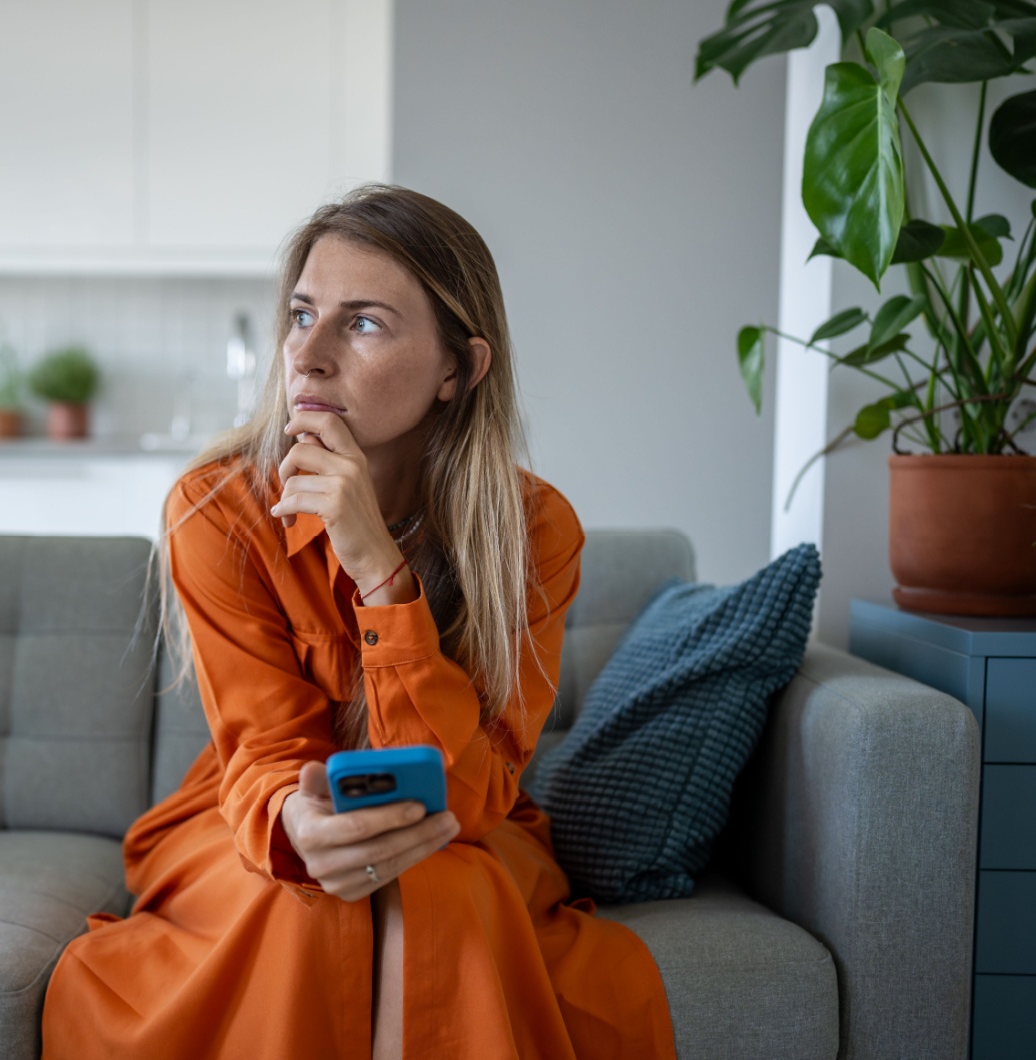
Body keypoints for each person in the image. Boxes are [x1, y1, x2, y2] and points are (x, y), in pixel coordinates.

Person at [39, 184, 676, 1060]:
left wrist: (380, 571)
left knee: (437, 890)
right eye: (303, 314)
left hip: (464, 827)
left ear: (460, 368)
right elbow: (264, 756)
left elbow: (473, 790)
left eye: (364, 323)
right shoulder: (219, 508)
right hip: (251, 818)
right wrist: (301, 832)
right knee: (308, 900)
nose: (309, 356)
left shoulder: (534, 530)